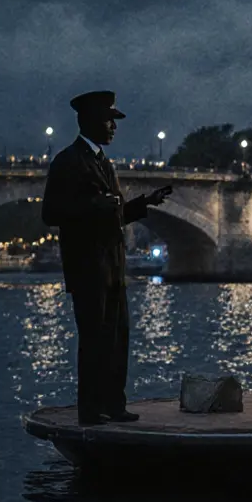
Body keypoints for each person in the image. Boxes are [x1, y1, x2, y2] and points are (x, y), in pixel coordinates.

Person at [41, 90, 171, 425]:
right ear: (88, 121)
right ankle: (90, 410)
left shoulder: (104, 162)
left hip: (113, 266)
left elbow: (115, 214)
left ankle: (114, 404)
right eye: (109, 120)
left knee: (117, 338)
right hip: (87, 267)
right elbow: (50, 213)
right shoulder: (68, 161)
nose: (114, 127)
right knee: (94, 340)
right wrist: (93, 206)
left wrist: (144, 203)